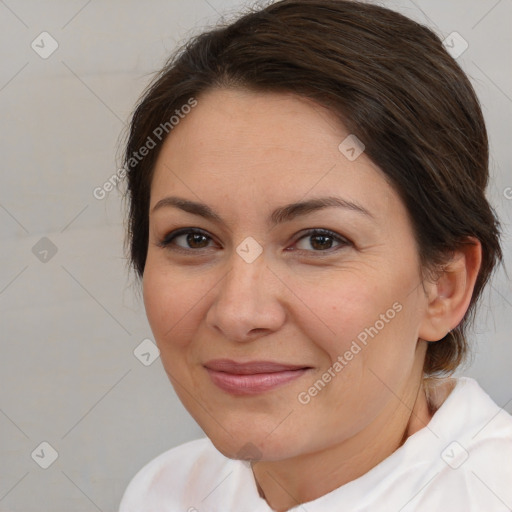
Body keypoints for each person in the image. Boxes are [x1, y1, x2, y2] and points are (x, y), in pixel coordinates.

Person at [118, 1, 512, 510]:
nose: (239, 314)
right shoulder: (166, 491)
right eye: (194, 238)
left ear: (444, 287)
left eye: (319, 240)